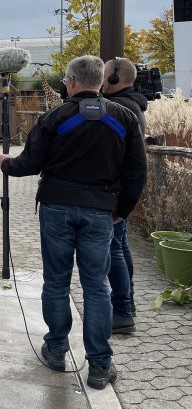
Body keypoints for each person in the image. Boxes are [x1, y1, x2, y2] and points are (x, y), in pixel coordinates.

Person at [0, 55, 147, 390]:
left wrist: (5, 162)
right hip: (100, 211)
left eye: (65, 80)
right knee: (96, 287)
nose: (65, 85)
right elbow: (137, 170)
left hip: (56, 210)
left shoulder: (55, 117)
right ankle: (99, 367)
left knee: (56, 282)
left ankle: (56, 349)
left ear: (74, 81)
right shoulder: (124, 117)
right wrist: (121, 209)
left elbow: (29, 164)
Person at [102, 57, 148, 332]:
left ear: (116, 79)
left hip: (113, 193)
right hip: (122, 192)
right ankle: (127, 303)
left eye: (104, 75)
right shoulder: (133, 105)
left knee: (113, 250)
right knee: (120, 247)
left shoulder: (119, 109)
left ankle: (121, 311)